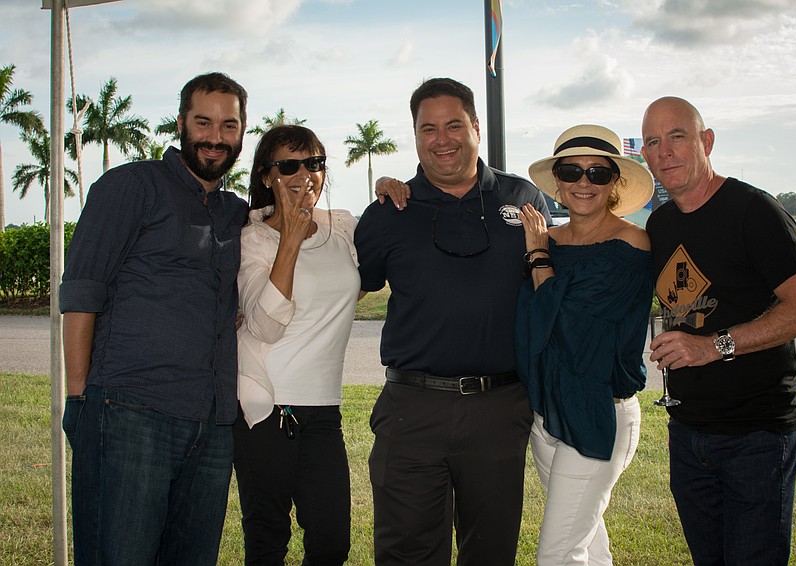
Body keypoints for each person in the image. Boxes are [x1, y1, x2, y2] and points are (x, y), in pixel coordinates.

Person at [354, 77, 551, 565]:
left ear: (476, 127)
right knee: (408, 553)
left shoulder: (523, 197)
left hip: (501, 409)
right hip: (412, 410)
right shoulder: (388, 211)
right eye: (428, 129)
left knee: (491, 551)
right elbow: (345, 285)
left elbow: (551, 286)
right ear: (416, 135)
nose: (442, 139)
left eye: (454, 125)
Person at [59, 72, 248, 566]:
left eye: (229, 125)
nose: (215, 137)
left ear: (242, 133)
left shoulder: (236, 212)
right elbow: (82, 291)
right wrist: (79, 397)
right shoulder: (130, 186)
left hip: (211, 426)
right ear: (181, 122)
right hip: (129, 414)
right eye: (203, 122)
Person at [642, 96, 796, 565]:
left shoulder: (754, 210)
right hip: (687, 433)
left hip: (756, 436)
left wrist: (713, 347)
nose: (665, 152)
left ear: (706, 141)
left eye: (677, 137)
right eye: (652, 142)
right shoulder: (660, 224)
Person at [515, 125, 655, 565]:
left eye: (597, 173)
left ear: (615, 182)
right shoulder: (549, 237)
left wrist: (537, 257)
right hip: (548, 412)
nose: (583, 182)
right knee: (589, 542)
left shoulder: (629, 242)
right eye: (572, 171)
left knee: (557, 554)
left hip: (598, 412)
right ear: (557, 180)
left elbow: (572, 321)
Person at [233, 125, 358, 565]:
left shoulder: (340, 226)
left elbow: (363, 276)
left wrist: (388, 187)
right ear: (267, 175)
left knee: (331, 543)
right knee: (267, 542)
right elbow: (265, 324)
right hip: (267, 410)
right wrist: (289, 238)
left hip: (324, 411)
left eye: (315, 163)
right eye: (289, 165)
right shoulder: (254, 239)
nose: (304, 174)